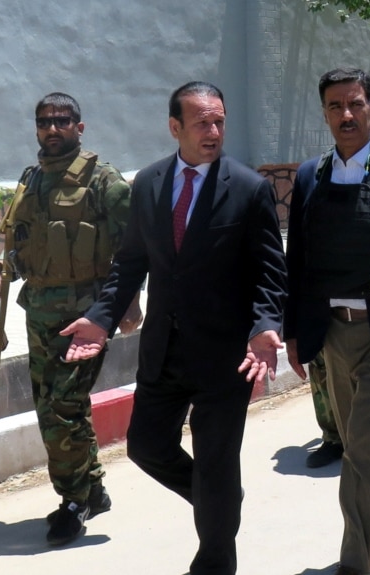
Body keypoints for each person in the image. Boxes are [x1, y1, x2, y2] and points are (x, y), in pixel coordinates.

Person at [60, 81, 288, 575]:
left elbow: (271, 271)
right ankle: (219, 500)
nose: (213, 131)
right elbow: (131, 262)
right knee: (146, 446)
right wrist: (101, 320)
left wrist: (266, 324)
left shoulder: (249, 189)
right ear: (175, 127)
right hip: (164, 350)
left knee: (215, 464)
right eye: (203, 122)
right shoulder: (149, 184)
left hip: (225, 358)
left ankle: (214, 560)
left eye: (220, 121)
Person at [0, 92, 140, 546]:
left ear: (80, 127)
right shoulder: (31, 180)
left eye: (62, 121)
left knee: (61, 409)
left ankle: (73, 502)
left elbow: (134, 250)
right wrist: (2, 274)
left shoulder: (104, 182)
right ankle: (92, 487)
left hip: (86, 317)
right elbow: (20, 243)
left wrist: (129, 305)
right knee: (53, 408)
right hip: (37, 314)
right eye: (44, 122)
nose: (52, 129)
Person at [284, 67, 370, 575]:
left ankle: (354, 561)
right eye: (335, 106)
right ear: (325, 113)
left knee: (358, 451)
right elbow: (299, 259)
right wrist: (293, 330)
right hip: (332, 333)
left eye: (355, 104)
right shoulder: (312, 175)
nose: (346, 115)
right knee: (367, 447)